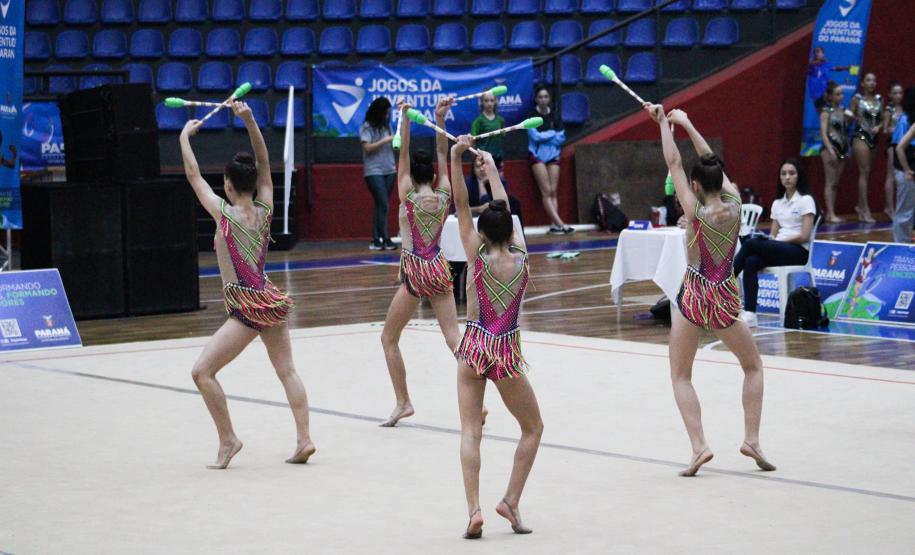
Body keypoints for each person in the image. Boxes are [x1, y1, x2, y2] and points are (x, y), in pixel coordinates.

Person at [180, 102, 315, 469]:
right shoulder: (266, 208)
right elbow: (265, 161)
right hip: (269, 300)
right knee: (287, 370)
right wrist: (251, 120)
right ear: (255, 183)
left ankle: (228, 440)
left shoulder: (223, 213)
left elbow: (193, 175)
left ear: (225, 184)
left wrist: (183, 137)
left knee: (201, 372)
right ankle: (304, 438)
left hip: (246, 309)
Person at [645, 104, 775, 477]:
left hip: (694, 295)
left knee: (681, 374)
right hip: (724, 293)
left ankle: (699, 445)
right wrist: (686, 122)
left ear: (696, 185)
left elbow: (673, 163)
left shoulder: (694, 209)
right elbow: (708, 159)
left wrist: (663, 126)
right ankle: (752, 438)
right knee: (752, 367)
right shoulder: (735, 203)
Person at [450, 135, 543, 540]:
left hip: (472, 347)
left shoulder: (477, 254)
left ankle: (473, 510)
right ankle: (510, 499)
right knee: (533, 428)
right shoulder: (521, 256)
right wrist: (493, 175)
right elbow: (508, 215)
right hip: (503, 353)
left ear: (483, 234)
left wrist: (457, 160)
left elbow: (459, 207)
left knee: (471, 431)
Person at [379, 98, 465, 427]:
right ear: (432, 172)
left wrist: (404, 118)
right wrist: (440, 117)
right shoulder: (444, 193)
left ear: (412, 174)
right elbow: (443, 154)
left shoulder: (408, 194)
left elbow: (401, 154)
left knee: (388, 338)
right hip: (439, 268)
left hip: (416, 273)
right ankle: (479, 400)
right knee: (454, 339)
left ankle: (403, 402)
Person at [734, 159, 818, 327]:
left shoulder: (806, 200)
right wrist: (771, 240)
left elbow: (805, 236)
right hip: (779, 248)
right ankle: (750, 313)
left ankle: (722, 282)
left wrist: (780, 240)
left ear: (799, 176)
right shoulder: (777, 203)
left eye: (791, 173)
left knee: (750, 244)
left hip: (798, 251)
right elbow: (773, 235)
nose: (787, 177)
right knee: (751, 261)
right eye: (783, 174)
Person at [528, 85, 572, 234]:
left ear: (549, 99)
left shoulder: (555, 116)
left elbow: (561, 138)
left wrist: (546, 136)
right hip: (537, 156)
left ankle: (554, 225)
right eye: (540, 97)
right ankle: (561, 224)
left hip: (554, 156)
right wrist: (552, 134)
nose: (543, 99)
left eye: (545, 96)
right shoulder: (532, 116)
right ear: (536, 99)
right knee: (546, 191)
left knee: (553, 191)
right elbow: (535, 137)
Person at [361, 97, 398, 251]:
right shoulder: (366, 127)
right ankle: (385, 238)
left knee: (381, 205)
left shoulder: (387, 127)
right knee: (383, 203)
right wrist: (386, 140)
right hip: (373, 170)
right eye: (386, 112)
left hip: (389, 168)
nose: (388, 116)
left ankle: (376, 239)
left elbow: (394, 145)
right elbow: (367, 148)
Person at [849, 73, 883, 223]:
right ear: (862, 83)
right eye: (868, 80)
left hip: (874, 137)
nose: (872, 83)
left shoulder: (879, 100)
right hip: (860, 135)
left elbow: (883, 119)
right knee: (864, 171)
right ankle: (864, 209)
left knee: (867, 173)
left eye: (874, 80)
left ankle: (860, 205)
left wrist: (879, 127)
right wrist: (852, 116)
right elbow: (849, 115)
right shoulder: (857, 99)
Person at [819, 81, 852, 223]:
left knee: (836, 183)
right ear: (831, 96)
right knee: (830, 181)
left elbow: (844, 129)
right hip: (829, 148)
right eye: (838, 94)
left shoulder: (843, 110)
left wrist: (849, 119)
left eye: (842, 94)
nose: (841, 96)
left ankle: (832, 212)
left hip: (842, 147)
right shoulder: (826, 112)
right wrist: (830, 149)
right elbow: (824, 133)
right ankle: (830, 213)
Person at [466, 154, 523, 223]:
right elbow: (456, 211)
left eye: (484, 165)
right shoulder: (467, 183)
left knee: (514, 202)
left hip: (496, 221)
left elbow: (501, 208)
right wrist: (478, 209)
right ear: (473, 170)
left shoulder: (500, 182)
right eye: (477, 167)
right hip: (472, 221)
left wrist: (482, 184)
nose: (481, 169)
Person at [892, 87, 915, 244]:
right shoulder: (905, 120)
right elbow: (899, 147)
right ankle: (901, 248)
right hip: (907, 170)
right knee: (905, 212)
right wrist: (906, 169)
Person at [882, 82, 904, 219]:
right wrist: (897, 131)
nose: (898, 96)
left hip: (904, 145)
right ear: (890, 95)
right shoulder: (889, 110)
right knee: (891, 176)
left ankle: (899, 207)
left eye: (900, 93)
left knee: (901, 178)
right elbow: (885, 129)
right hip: (892, 145)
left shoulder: (905, 109)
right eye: (895, 93)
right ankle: (889, 207)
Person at [470, 92, 505, 167]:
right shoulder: (478, 122)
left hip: (497, 158)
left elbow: (501, 139)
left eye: (492, 100)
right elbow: (472, 142)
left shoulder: (500, 120)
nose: (489, 103)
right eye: (486, 100)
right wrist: (474, 160)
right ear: (481, 102)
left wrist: (501, 158)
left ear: (495, 101)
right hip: (483, 159)